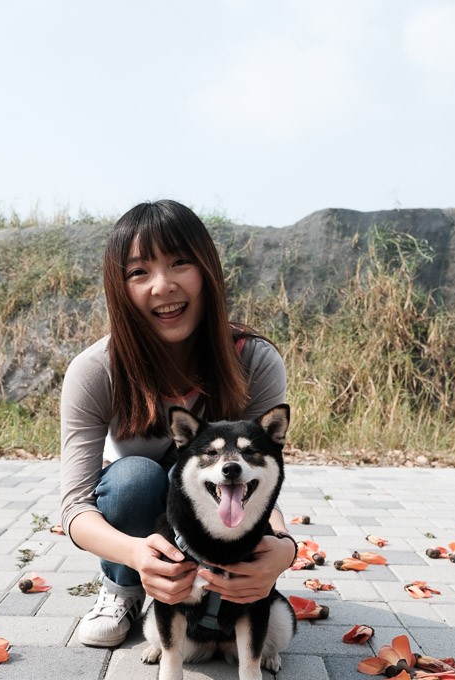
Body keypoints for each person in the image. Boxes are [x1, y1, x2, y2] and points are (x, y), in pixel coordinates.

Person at [60, 199, 297, 648]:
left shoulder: (254, 360)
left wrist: (282, 549)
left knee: (221, 475)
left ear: (207, 269)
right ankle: (122, 590)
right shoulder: (96, 370)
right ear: (119, 287)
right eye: (138, 272)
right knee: (133, 478)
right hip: (143, 512)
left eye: (180, 262)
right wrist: (134, 554)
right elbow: (74, 508)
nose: (163, 286)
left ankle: (228, 591)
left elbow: (260, 478)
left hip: (219, 525)